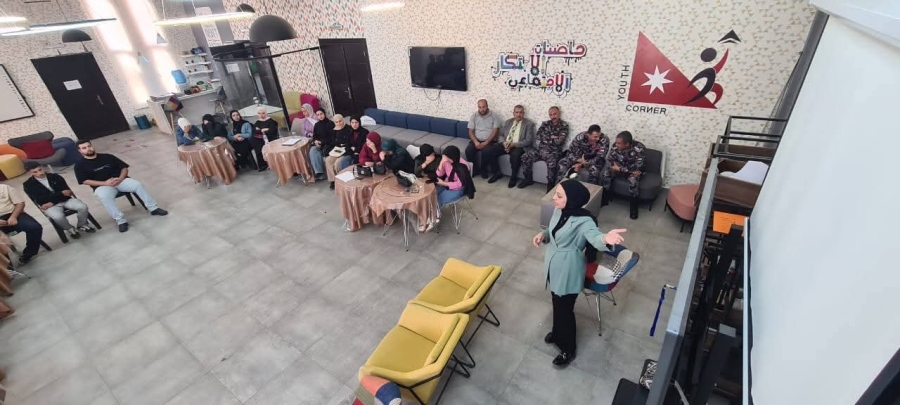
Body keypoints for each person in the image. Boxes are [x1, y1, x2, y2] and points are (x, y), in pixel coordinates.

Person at [531, 180, 626, 368]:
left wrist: (605, 239)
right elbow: (553, 229)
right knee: (556, 302)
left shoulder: (584, 221)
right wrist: (543, 235)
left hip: (568, 269)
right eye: (555, 193)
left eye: (559, 196)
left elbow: (595, 237)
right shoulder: (560, 210)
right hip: (554, 264)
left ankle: (568, 348)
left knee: (565, 310)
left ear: (572, 199)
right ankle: (557, 332)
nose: (554, 198)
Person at [74, 140, 168, 233]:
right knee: (104, 196)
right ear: (80, 151)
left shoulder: (107, 156)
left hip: (120, 180)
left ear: (92, 146)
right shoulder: (79, 165)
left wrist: (120, 178)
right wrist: (105, 183)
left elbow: (124, 168)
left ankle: (153, 209)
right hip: (102, 185)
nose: (88, 149)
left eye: (89, 146)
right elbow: (85, 181)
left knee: (137, 185)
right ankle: (120, 221)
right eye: (84, 148)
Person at [22, 162, 96, 240]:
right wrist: (60, 193)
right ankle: (69, 229)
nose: (40, 173)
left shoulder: (55, 177)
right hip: (49, 205)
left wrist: (52, 201)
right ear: (30, 173)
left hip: (63, 200)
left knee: (82, 207)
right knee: (58, 217)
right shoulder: (28, 184)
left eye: (40, 170)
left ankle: (82, 224)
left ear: (42, 167)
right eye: (35, 172)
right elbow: (40, 199)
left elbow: (67, 193)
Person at [518, 106, 570, 191]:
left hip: (553, 152)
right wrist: (553, 137)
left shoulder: (564, 125)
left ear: (559, 113)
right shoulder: (545, 124)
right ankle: (528, 179)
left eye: (555, 114)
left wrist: (546, 137)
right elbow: (538, 136)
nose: (553, 116)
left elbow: (559, 141)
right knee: (525, 157)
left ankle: (550, 185)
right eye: (551, 115)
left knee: (552, 164)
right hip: (540, 150)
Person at [600, 131, 646, 219]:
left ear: (627, 144)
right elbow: (610, 160)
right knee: (606, 173)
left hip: (632, 171)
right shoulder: (615, 145)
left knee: (633, 181)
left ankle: (633, 207)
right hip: (620, 168)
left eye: (619, 143)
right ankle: (605, 197)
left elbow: (638, 167)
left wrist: (620, 169)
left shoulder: (639, 148)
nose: (616, 145)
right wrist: (616, 167)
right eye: (616, 142)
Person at [0, 183, 43, 265]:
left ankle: (28, 253)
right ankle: (6, 266)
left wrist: (13, 217)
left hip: (13, 213)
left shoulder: (4, 187)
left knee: (34, 227)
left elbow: (20, 203)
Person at [494, 105, 536, 187]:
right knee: (489, 150)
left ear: (523, 113)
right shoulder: (507, 122)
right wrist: (503, 142)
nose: (518, 114)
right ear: (513, 113)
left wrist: (513, 144)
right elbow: (500, 135)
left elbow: (528, 141)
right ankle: (497, 172)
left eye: (521, 112)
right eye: (517, 112)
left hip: (518, 146)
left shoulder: (529, 124)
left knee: (515, 155)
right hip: (506, 143)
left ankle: (513, 177)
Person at [465, 99, 503, 178]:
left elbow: (495, 131)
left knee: (486, 151)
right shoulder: (474, 116)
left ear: (487, 106)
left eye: (483, 107)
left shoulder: (494, 116)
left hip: (490, 141)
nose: (482, 109)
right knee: (468, 150)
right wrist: (476, 142)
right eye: (480, 107)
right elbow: (470, 131)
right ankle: (475, 170)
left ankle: (483, 170)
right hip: (476, 140)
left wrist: (486, 142)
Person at [324, 114, 352, 190]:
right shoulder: (334, 130)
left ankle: (340, 181)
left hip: (346, 150)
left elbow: (350, 141)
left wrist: (342, 144)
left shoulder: (349, 129)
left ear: (343, 120)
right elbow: (333, 142)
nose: (339, 123)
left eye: (340, 121)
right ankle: (333, 180)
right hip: (337, 150)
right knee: (328, 160)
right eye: (336, 122)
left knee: (337, 163)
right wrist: (338, 144)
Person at [309, 108, 335, 180]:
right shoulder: (317, 125)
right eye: (318, 115)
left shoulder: (331, 124)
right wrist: (315, 141)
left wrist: (321, 142)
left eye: (321, 114)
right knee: (312, 150)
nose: (320, 116)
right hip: (319, 145)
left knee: (319, 151)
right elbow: (315, 136)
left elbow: (332, 138)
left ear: (324, 114)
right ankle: (319, 172)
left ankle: (321, 174)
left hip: (328, 145)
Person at [251, 107, 279, 172]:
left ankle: (273, 162)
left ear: (266, 113)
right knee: (257, 145)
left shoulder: (271, 121)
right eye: (259, 113)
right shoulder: (257, 122)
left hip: (271, 138)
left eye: (263, 113)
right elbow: (254, 132)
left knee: (263, 144)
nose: (261, 115)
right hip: (260, 139)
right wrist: (264, 130)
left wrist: (260, 130)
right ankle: (263, 165)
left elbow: (272, 131)